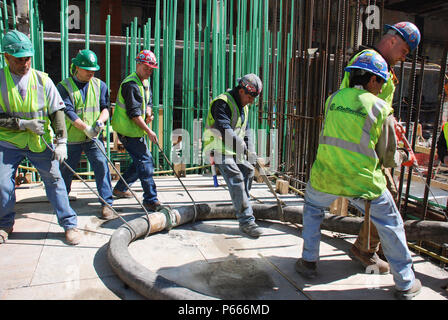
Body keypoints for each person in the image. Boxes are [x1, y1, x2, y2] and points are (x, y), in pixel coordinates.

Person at [295, 51, 422, 300]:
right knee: (391, 225)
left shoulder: (333, 99)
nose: (382, 87)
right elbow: (386, 156)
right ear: (372, 80)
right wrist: (401, 158)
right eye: (382, 82)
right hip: (361, 181)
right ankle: (406, 283)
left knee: (312, 210)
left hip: (326, 175)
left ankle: (308, 262)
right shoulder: (379, 107)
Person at [340, 21, 421, 273]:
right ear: (393, 40)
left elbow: (380, 107)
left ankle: (375, 246)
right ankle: (366, 249)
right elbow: (356, 101)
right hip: (363, 140)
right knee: (385, 196)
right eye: (404, 52)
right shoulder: (368, 63)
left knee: (385, 196)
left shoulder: (382, 66)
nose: (403, 57)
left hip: (372, 137)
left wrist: (392, 123)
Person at [0, 30, 81, 245]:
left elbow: (57, 111)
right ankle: (4, 224)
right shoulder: (0, 80)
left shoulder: (42, 80)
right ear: (6, 57)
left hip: (38, 142)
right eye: (19, 60)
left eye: (27, 58)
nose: (25, 63)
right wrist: (22, 124)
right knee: (2, 184)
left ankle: (69, 224)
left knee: (55, 181)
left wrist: (61, 141)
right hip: (8, 142)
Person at [202, 73, 264, 238]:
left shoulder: (245, 106)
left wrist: (250, 149)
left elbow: (245, 130)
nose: (252, 101)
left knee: (248, 171)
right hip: (218, 147)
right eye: (250, 97)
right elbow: (223, 128)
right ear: (242, 91)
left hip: (233, 148)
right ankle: (246, 221)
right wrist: (241, 145)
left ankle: (241, 205)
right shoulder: (222, 103)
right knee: (236, 178)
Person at [57, 49, 115, 220]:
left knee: (101, 165)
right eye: (87, 69)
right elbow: (67, 111)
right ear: (77, 68)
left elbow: (105, 107)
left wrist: (100, 122)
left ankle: (107, 203)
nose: (91, 72)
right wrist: (86, 128)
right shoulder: (64, 86)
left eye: (93, 69)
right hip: (73, 137)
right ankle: (62, 200)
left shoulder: (100, 85)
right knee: (66, 170)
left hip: (94, 137)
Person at [111, 49, 161, 211]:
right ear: (138, 64)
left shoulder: (144, 81)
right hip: (128, 131)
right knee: (146, 163)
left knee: (140, 161)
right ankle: (150, 199)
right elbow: (133, 114)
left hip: (135, 130)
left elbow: (148, 101)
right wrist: (149, 131)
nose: (149, 72)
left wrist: (148, 112)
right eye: (146, 68)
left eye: (151, 70)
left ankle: (120, 188)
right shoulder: (131, 85)